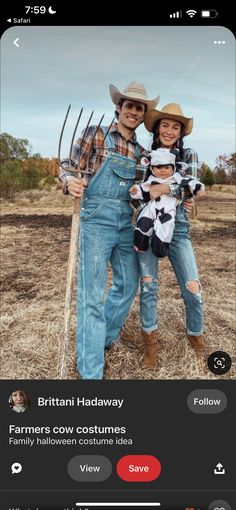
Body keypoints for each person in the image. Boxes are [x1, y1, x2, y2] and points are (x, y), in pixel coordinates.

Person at [59, 81, 160, 379]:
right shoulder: (96, 134)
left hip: (125, 222)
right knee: (91, 295)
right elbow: (68, 165)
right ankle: (91, 372)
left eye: (139, 107)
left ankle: (97, 339)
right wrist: (69, 181)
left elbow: (142, 192)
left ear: (142, 114)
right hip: (95, 219)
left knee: (128, 285)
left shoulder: (142, 152)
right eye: (128, 105)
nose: (133, 111)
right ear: (119, 107)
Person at [138, 103, 206, 368]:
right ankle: (151, 347)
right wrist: (156, 193)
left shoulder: (189, 154)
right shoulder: (145, 156)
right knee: (148, 286)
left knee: (193, 287)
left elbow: (190, 188)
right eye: (164, 125)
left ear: (181, 132)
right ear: (157, 128)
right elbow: (138, 191)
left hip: (177, 227)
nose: (168, 130)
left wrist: (161, 189)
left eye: (175, 126)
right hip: (146, 224)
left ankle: (196, 338)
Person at [130, 148, 205, 258]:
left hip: (167, 211)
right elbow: (143, 191)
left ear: (173, 168)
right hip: (151, 208)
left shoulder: (176, 179)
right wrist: (135, 191)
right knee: (142, 222)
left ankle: (160, 247)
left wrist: (199, 189)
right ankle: (140, 244)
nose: (163, 170)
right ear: (152, 168)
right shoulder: (151, 180)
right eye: (158, 167)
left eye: (167, 167)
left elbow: (191, 183)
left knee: (166, 228)